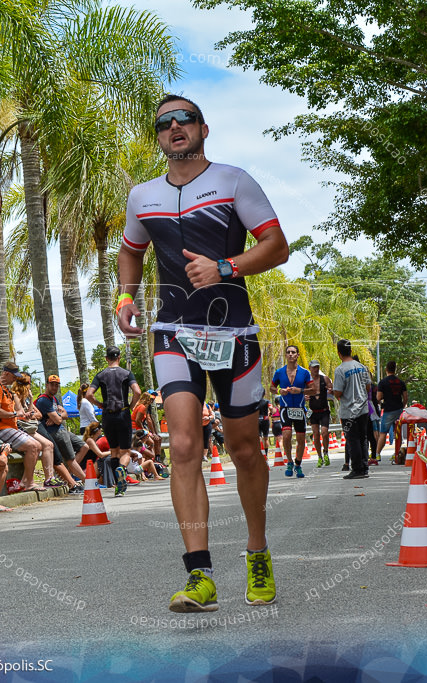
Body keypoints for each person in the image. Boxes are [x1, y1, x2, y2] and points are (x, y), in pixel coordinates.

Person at [116, 94, 289, 612]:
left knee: (244, 450)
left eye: (183, 119)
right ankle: (200, 575)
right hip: (172, 330)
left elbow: (277, 246)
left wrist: (226, 267)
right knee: (185, 446)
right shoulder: (142, 196)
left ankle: (257, 552)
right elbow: (130, 249)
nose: (174, 128)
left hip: (234, 333)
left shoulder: (234, 180)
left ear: (203, 128)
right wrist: (126, 295)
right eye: (164, 123)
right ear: (159, 137)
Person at [85, 346, 141, 495]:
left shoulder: (100, 375)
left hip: (108, 416)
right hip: (123, 413)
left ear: (106, 358)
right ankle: (122, 470)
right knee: (126, 452)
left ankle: (118, 487)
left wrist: (99, 405)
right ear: (119, 358)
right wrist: (131, 405)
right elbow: (137, 391)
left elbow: (89, 394)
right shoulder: (127, 373)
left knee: (114, 451)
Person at [0, 361, 44, 492]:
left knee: (38, 446)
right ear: (6, 374)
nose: (15, 380)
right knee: (33, 446)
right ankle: (28, 482)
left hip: (11, 427)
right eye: (13, 377)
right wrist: (14, 413)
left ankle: (25, 481)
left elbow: (15, 414)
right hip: (0, 428)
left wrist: (24, 416)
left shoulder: (6, 389)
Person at [34, 375, 87, 495]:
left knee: (84, 447)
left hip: (62, 429)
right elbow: (58, 420)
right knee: (70, 459)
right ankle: (85, 481)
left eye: (56, 385)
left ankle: (68, 473)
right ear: (46, 385)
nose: (54, 387)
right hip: (55, 432)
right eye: (52, 384)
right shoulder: (43, 400)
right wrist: (57, 417)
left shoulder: (54, 399)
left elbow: (65, 415)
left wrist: (58, 416)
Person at [272, 345, 313, 477]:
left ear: (297, 355)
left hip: (300, 408)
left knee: (301, 438)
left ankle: (298, 464)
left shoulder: (305, 372)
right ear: (286, 355)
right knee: (287, 435)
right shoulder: (279, 372)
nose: (290, 354)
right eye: (288, 352)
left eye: (293, 352)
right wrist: (279, 391)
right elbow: (271, 387)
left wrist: (300, 391)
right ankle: (289, 461)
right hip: (285, 408)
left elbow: (313, 390)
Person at [333, 341, 372, 480]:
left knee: (353, 440)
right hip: (363, 409)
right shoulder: (362, 367)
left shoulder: (340, 370)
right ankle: (364, 466)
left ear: (339, 353)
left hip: (349, 411)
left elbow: (337, 392)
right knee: (363, 439)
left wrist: (334, 391)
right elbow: (368, 387)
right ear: (350, 350)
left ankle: (357, 469)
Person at [376, 361, 408, 462]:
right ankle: (398, 454)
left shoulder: (383, 382)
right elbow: (406, 397)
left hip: (388, 410)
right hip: (399, 409)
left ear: (386, 369)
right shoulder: (401, 382)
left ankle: (377, 454)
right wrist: (401, 405)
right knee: (398, 433)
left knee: (383, 433)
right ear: (395, 369)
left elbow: (378, 397)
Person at [306, 359, 334, 468]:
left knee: (325, 432)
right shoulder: (307, 381)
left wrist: (330, 389)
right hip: (313, 412)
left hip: (324, 411)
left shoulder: (324, 378)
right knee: (316, 434)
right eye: (313, 367)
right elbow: (302, 392)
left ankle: (326, 452)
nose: (316, 369)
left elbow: (331, 387)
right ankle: (319, 456)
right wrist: (305, 396)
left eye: (317, 367)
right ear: (310, 368)